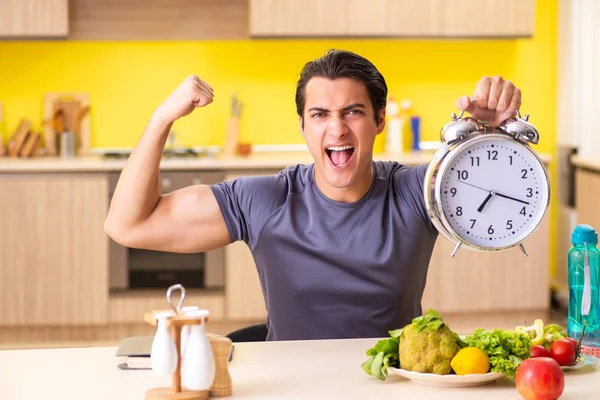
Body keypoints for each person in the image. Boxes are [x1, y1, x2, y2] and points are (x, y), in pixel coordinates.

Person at [104, 49, 522, 341]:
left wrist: (492, 133)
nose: (336, 130)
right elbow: (128, 225)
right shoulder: (265, 201)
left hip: (392, 383)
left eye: (352, 112)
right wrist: (162, 117)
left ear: (379, 120)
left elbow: (499, 189)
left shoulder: (416, 192)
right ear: (303, 126)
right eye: (320, 115)